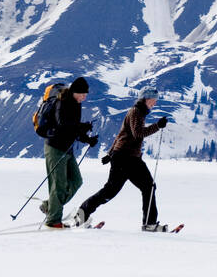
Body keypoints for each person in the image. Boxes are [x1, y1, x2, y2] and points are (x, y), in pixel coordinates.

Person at [75, 87, 167, 230]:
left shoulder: (138, 112)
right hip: (126, 157)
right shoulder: (136, 112)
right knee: (140, 187)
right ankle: (149, 224)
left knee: (126, 188)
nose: (154, 104)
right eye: (153, 101)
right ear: (146, 99)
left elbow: (121, 134)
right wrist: (157, 126)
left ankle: (83, 213)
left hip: (126, 157)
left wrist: (110, 154)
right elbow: (138, 134)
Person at [41, 77, 98, 229]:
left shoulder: (76, 105)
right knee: (58, 185)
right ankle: (53, 221)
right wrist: (81, 126)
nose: (84, 97)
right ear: (75, 92)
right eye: (83, 94)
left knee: (76, 181)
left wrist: (88, 139)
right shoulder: (62, 102)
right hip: (55, 148)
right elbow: (62, 124)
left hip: (67, 148)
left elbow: (73, 130)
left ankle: (49, 206)